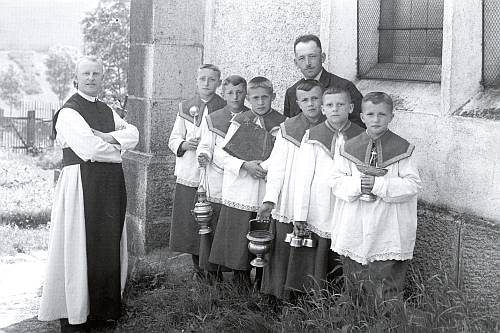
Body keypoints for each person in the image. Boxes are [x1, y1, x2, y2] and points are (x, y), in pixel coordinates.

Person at [38, 55, 139, 333]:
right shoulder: (68, 112)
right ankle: (75, 314)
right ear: (76, 79)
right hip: (80, 184)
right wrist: (119, 151)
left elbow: (134, 133)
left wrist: (107, 137)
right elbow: (89, 149)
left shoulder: (107, 111)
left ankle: (102, 312)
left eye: (96, 73)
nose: (91, 78)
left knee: (107, 243)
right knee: (77, 245)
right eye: (86, 74)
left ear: (102, 78)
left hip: (108, 185)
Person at [329, 92, 421, 312]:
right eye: (370, 114)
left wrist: (379, 186)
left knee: (386, 281)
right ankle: (355, 318)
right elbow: (335, 181)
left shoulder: (403, 149)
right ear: (361, 116)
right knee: (355, 278)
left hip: (388, 225)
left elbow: (412, 185)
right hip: (355, 222)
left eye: (382, 114)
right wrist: (359, 185)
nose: (376, 119)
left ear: (391, 116)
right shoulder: (348, 148)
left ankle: (387, 320)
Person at [209, 76, 286, 291]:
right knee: (238, 240)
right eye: (255, 98)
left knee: (264, 238)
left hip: (265, 188)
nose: (260, 102)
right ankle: (240, 284)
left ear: (273, 97)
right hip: (241, 190)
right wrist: (244, 165)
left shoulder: (282, 125)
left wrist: (263, 167)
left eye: (264, 97)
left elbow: (284, 157)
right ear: (248, 99)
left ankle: (262, 285)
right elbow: (220, 155)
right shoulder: (239, 121)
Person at [291, 86, 364, 297]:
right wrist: (300, 214)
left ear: (350, 108)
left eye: (340, 105)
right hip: (320, 203)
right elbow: (303, 177)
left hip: (349, 203)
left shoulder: (360, 136)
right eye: (330, 105)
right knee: (321, 253)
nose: (335, 110)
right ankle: (318, 297)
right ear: (323, 109)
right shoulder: (312, 136)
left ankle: (347, 296)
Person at [257, 80, 326, 302]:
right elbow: (277, 167)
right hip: (289, 197)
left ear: (323, 99)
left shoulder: (331, 128)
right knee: (283, 249)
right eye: (305, 100)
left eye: (315, 98)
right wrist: (269, 199)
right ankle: (278, 296)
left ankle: (310, 297)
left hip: (318, 201)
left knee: (313, 250)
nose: (311, 104)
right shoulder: (288, 128)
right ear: (297, 103)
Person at [168, 64, 226, 281]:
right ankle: (198, 269)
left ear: (219, 83)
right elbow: (173, 139)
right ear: (196, 81)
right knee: (192, 223)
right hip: (190, 173)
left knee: (212, 221)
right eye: (202, 79)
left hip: (213, 173)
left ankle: (214, 271)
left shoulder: (224, 107)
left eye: (212, 80)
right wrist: (184, 144)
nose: (206, 84)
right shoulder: (186, 108)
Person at [196, 75, 249, 283]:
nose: (235, 97)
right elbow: (205, 144)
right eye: (230, 93)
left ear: (245, 93)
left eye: (239, 92)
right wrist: (203, 155)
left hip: (241, 181)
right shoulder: (214, 119)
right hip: (217, 179)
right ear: (223, 94)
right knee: (215, 227)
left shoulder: (251, 117)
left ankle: (240, 275)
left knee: (237, 230)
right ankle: (213, 275)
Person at [284, 34, 364, 128]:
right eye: (302, 58)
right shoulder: (292, 92)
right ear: (296, 62)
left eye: (312, 56)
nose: (307, 63)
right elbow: (290, 127)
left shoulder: (345, 87)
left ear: (322, 57)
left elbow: (359, 125)